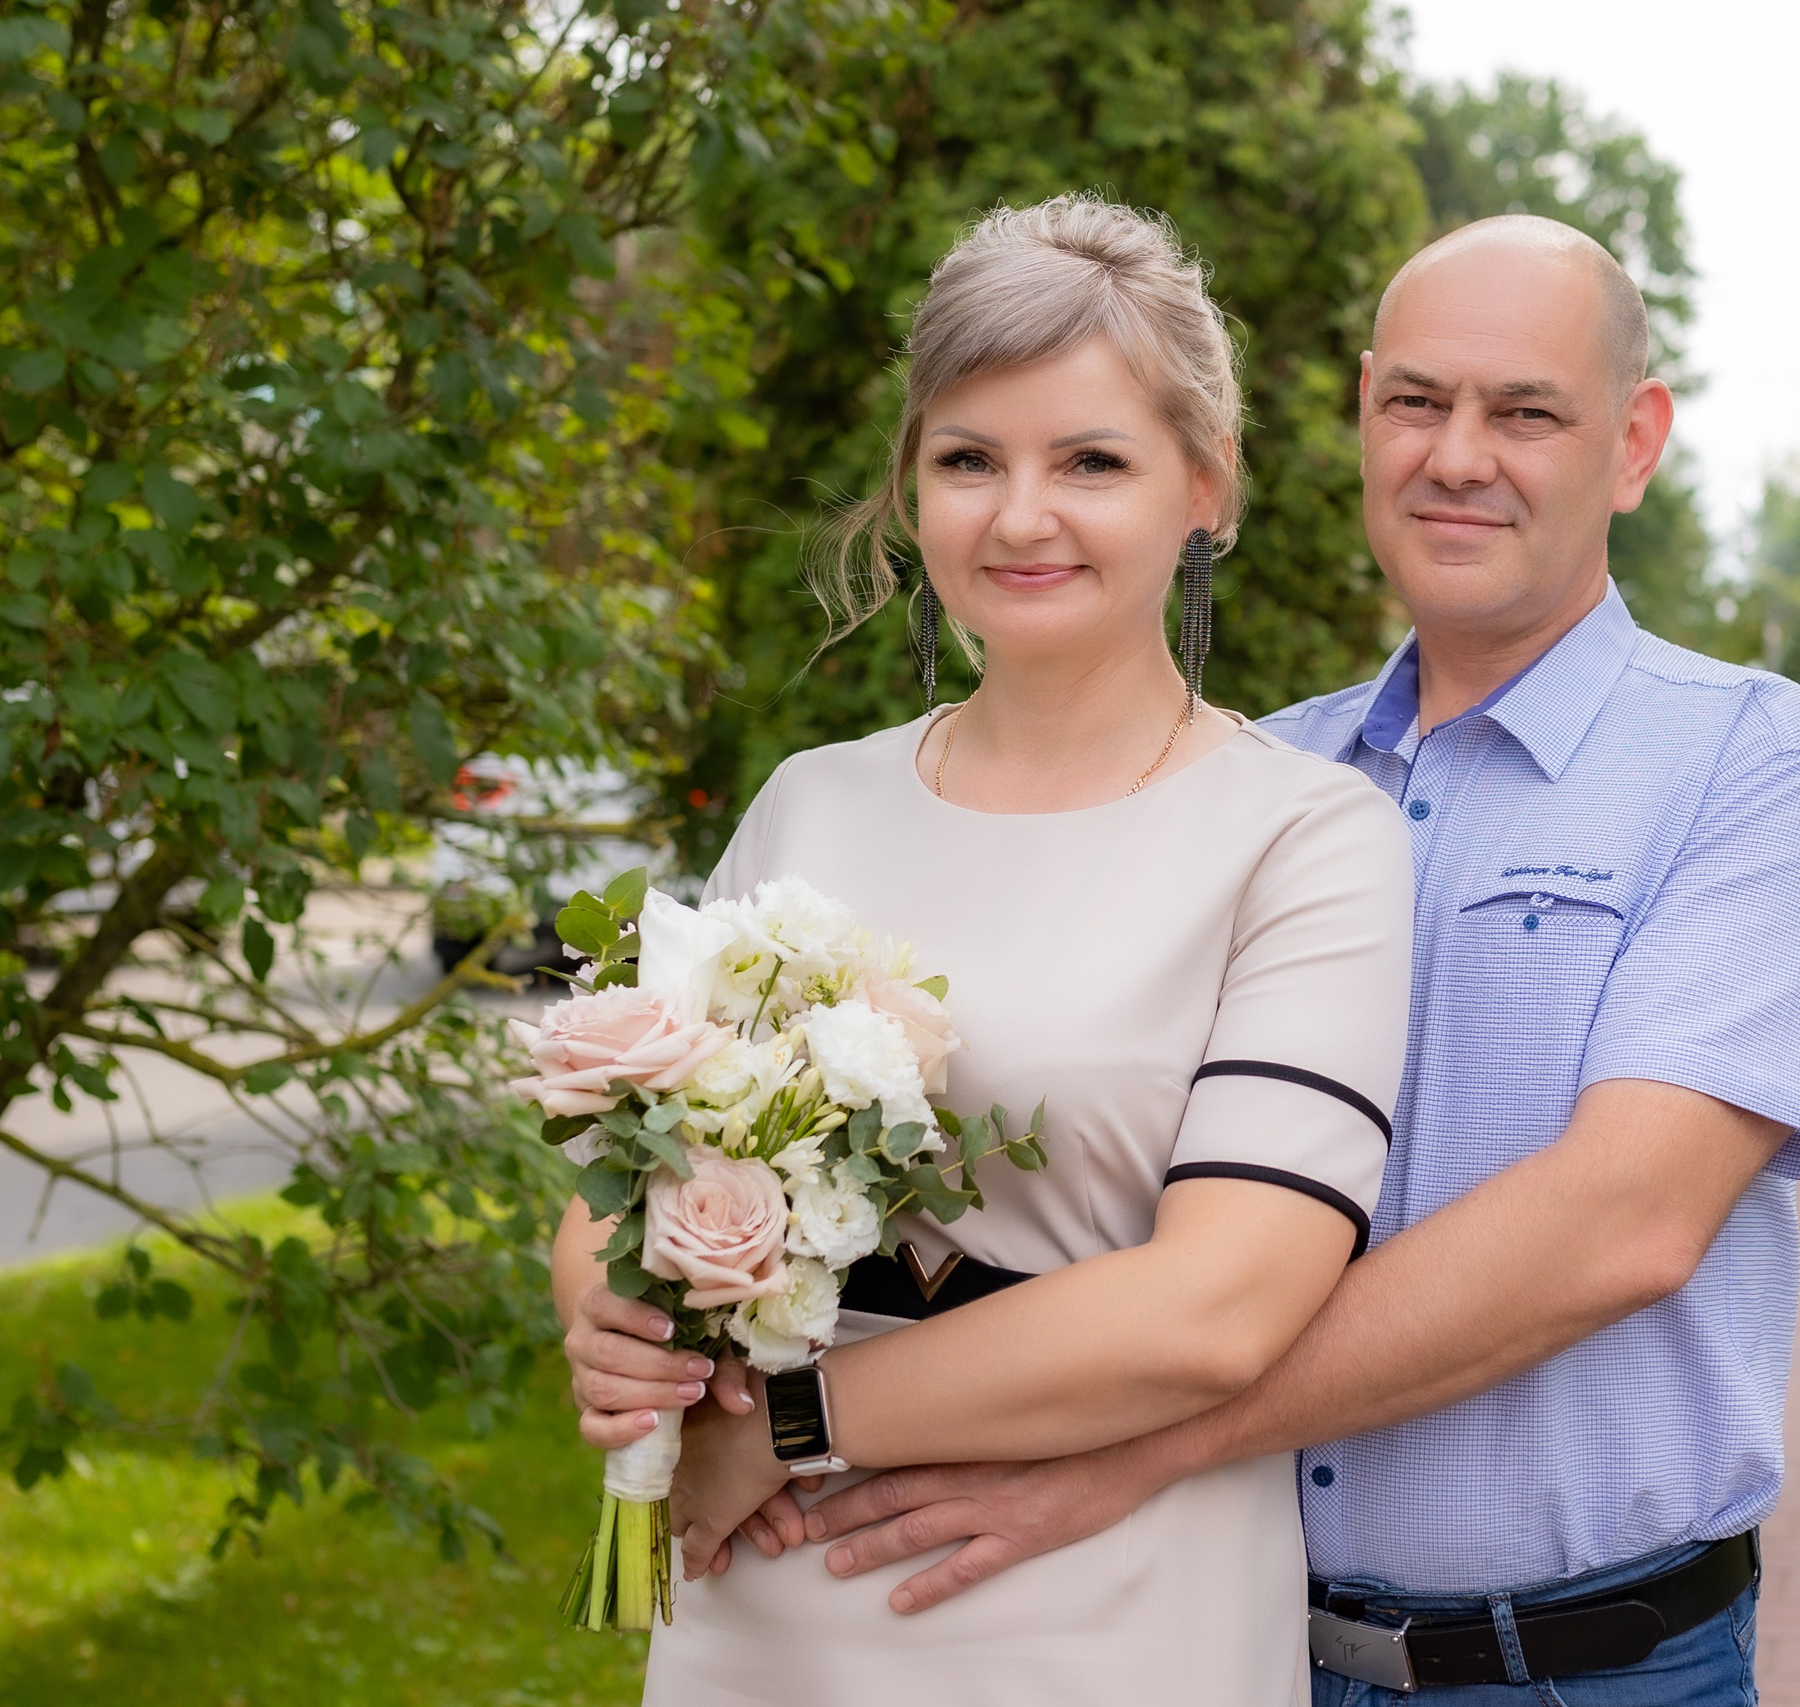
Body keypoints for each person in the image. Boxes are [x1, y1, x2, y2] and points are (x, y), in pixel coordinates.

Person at [772, 215, 1800, 1703]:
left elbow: (1620, 1224)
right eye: (1416, 402)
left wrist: (1122, 1449)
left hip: (1575, 1666)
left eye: (1526, 412)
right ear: (1363, 416)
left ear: (1634, 444)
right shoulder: (1245, 784)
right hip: (1225, 1632)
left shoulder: (1757, 767)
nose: (1457, 454)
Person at [548, 194, 1414, 1706]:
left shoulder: (1306, 837)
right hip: (757, 1615)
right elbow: (628, 1169)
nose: (1021, 516)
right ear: (910, 489)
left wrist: (793, 1423)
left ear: (1205, 488)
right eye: (969, 460)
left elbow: (1221, 1308)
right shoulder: (812, 800)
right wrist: (606, 1325)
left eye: (1091, 460)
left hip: (1100, 1612)